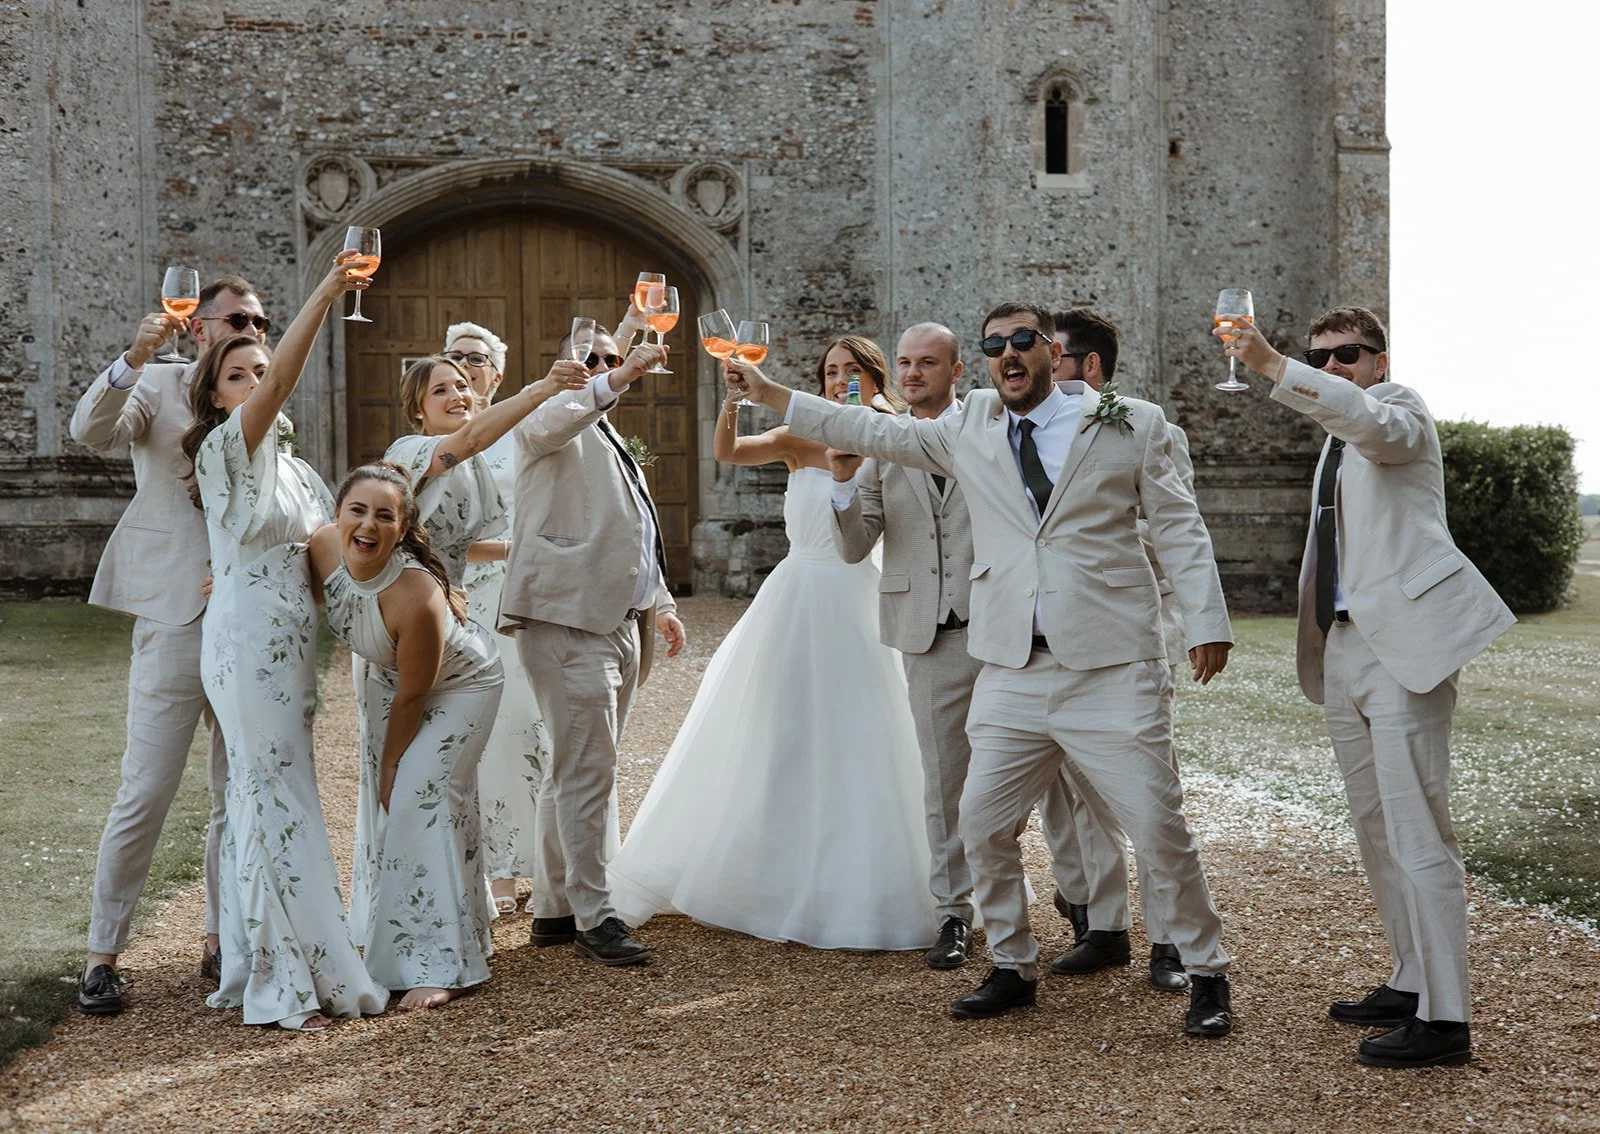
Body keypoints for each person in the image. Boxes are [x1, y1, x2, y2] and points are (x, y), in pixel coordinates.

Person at [729, 302, 1236, 1036]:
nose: (1008, 354)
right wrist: (773, 393)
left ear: (1050, 351)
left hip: (1111, 663)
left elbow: (1179, 526)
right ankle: (1012, 963)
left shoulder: (1132, 422)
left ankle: (1207, 972)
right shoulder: (968, 427)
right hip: (1011, 666)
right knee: (980, 824)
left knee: (1158, 826)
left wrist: (1207, 620)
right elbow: (873, 430)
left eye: (1021, 342)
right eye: (995, 344)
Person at [1220, 305, 1514, 1069]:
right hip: (1343, 648)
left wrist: (1280, 366)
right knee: (1376, 831)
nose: (1333, 366)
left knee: (1420, 836)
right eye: (1322, 355)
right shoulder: (1336, 439)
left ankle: (1447, 1022)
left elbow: (1372, 426)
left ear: (1380, 361)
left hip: (1403, 655)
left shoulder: (1398, 411)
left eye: (1346, 354)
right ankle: (1411, 979)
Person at [607, 336, 940, 952]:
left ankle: (876, 880)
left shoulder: (894, 434)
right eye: (830, 369)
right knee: (780, 726)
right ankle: (768, 869)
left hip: (861, 596)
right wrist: (734, 402)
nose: (840, 379)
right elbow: (728, 451)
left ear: (875, 377)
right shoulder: (796, 437)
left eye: (852, 370)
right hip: (795, 595)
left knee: (865, 732)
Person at [184, 254, 387, 1030]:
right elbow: (279, 390)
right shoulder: (221, 448)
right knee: (268, 790)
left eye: (260, 370)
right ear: (214, 393)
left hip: (289, 640)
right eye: (239, 373)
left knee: (270, 790)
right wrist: (329, 292)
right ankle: (288, 968)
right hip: (245, 643)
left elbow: (332, 549)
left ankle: (266, 955)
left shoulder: (297, 470)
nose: (258, 379)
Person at [69, 274, 271, 1015]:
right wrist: (130, 357)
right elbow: (88, 433)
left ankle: (221, 942)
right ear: (199, 325)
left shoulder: (263, 389)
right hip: (174, 613)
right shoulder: (153, 384)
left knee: (234, 791)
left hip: (250, 619)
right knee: (146, 789)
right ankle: (101, 954)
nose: (251, 326)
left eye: (259, 318)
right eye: (239, 317)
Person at [343, 351, 590, 942]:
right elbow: (475, 435)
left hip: (450, 626)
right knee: (401, 773)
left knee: (448, 778)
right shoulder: (412, 455)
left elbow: (457, 543)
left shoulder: (472, 468)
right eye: (441, 391)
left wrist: (521, 553)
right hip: (397, 628)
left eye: (462, 386)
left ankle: (453, 920)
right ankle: (398, 928)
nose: (458, 396)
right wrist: (539, 390)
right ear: (417, 411)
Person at [498, 331, 683, 966]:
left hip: (620, 622)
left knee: (573, 769)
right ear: (566, 365)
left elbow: (630, 529)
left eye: (610, 357)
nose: (603, 367)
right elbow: (552, 419)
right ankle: (595, 914)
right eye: (592, 358)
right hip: (567, 619)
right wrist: (621, 372)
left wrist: (660, 601)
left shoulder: (606, 436)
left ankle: (554, 908)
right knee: (587, 771)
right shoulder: (547, 415)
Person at [1038, 306, 1194, 994]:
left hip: (1126, 637)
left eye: (1056, 359)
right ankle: (1103, 928)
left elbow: (1170, 532)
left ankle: (1172, 941)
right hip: (1050, 643)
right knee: (1074, 798)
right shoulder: (1025, 432)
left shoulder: (1149, 428)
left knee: (1148, 796)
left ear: (1088, 367)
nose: (1040, 369)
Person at [308, 462, 505, 1010]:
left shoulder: (414, 593)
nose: (368, 525)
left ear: (403, 528)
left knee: (417, 793)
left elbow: (415, 697)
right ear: (337, 514)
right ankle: (413, 936)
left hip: (463, 686)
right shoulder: (323, 548)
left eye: (385, 515)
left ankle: (444, 961)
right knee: (399, 811)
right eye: (358, 510)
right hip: (389, 677)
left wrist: (392, 765)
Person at [444, 322, 548, 915]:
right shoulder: (441, 439)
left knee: (530, 727)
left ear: (497, 372)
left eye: (477, 359)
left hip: (524, 595)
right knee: (483, 731)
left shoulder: (517, 433)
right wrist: (514, 546)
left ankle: (544, 861)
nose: (467, 368)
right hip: (466, 600)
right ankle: (497, 872)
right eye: (455, 360)